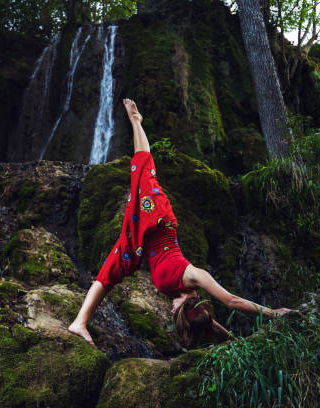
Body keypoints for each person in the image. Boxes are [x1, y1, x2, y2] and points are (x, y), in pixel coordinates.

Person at [68, 98, 294, 348]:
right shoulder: (195, 276)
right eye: (175, 311)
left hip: (142, 241)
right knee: (144, 169)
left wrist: (234, 342)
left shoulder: (181, 293)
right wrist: (273, 314)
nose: (170, 309)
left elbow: (209, 324)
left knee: (110, 270)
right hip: (158, 220)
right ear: (186, 304)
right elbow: (231, 301)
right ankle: (135, 120)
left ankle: (79, 322)